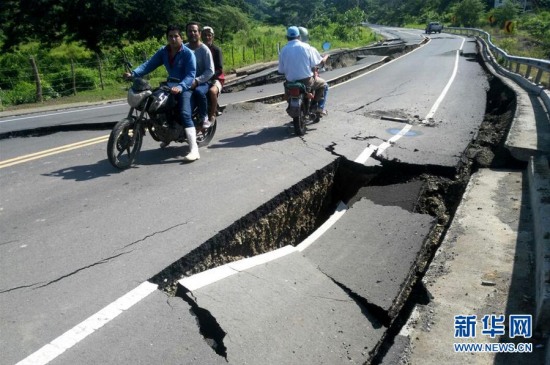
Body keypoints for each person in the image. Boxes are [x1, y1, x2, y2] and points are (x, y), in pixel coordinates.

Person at [124, 25, 200, 161]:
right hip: (169, 85)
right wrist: (133, 74)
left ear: (181, 38)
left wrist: (181, 87)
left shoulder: (188, 53)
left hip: (185, 87)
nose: (173, 39)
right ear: (167, 38)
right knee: (153, 103)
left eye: (176, 36)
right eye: (170, 36)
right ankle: (166, 133)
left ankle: (194, 149)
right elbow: (149, 65)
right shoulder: (164, 52)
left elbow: (190, 75)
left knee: (184, 113)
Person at [278, 26, 329, 116]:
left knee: (287, 90)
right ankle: (316, 106)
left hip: (290, 82)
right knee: (324, 85)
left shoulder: (283, 50)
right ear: (299, 37)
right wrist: (325, 57)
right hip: (306, 82)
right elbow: (317, 63)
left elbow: (281, 70)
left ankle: (291, 104)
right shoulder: (307, 47)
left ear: (287, 37)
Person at [185, 22, 215, 129]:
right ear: (186, 33)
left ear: (199, 33)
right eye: (190, 31)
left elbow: (210, 70)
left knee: (198, 92)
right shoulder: (184, 49)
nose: (192, 33)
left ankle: (204, 116)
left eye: (195, 31)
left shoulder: (204, 50)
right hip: (186, 82)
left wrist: (197, 81)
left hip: (202, 82)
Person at [202, 26, 225, 125]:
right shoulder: (199, 49)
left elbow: (219, 69)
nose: (207, 37)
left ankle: (212, 114)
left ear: (212, 37)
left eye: (209, 35)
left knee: (212, 91)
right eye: (205, 35)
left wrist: (209, 77)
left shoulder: (216, 50)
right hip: (202, 77)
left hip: (216, 78)